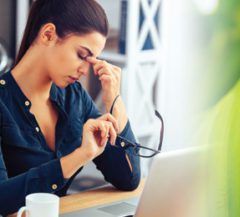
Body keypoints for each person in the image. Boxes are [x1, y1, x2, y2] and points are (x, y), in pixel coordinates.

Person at [0, 0, 140, 215]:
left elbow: (128, 179)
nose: (86, 70)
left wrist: (115, 100)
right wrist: (80, 156)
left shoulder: (74, 98)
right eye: (82, 55)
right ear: (48, 34)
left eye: (92, 60)